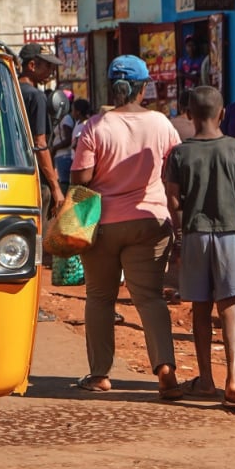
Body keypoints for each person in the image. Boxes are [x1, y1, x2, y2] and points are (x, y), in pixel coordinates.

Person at [71, 56, 184, 400]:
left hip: (101, 225)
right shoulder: (162, 124)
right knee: (149, 298)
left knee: (100, 297)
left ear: (110, 87)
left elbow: (80, 179)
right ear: (143, 87)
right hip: (150, 221)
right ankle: (165, 368)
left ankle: (101, 374)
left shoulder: (95, 127)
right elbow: (174, 170)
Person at [165, 85, 235, 407]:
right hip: (231, 234)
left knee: (200, 309)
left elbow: (173, 201)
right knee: (229, 309)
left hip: (195, 235)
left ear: (189, 115)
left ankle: (205, 380)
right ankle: (234, 377)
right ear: (222, 114)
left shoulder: (180, 153)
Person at [17, 43, 67, 209]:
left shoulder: (9, 91)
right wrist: (55, 188)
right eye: (48, 66)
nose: (51, 71)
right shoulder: (36, 97)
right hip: (36, 178)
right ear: (32, 65)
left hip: (14, 175)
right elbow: (40, 145)